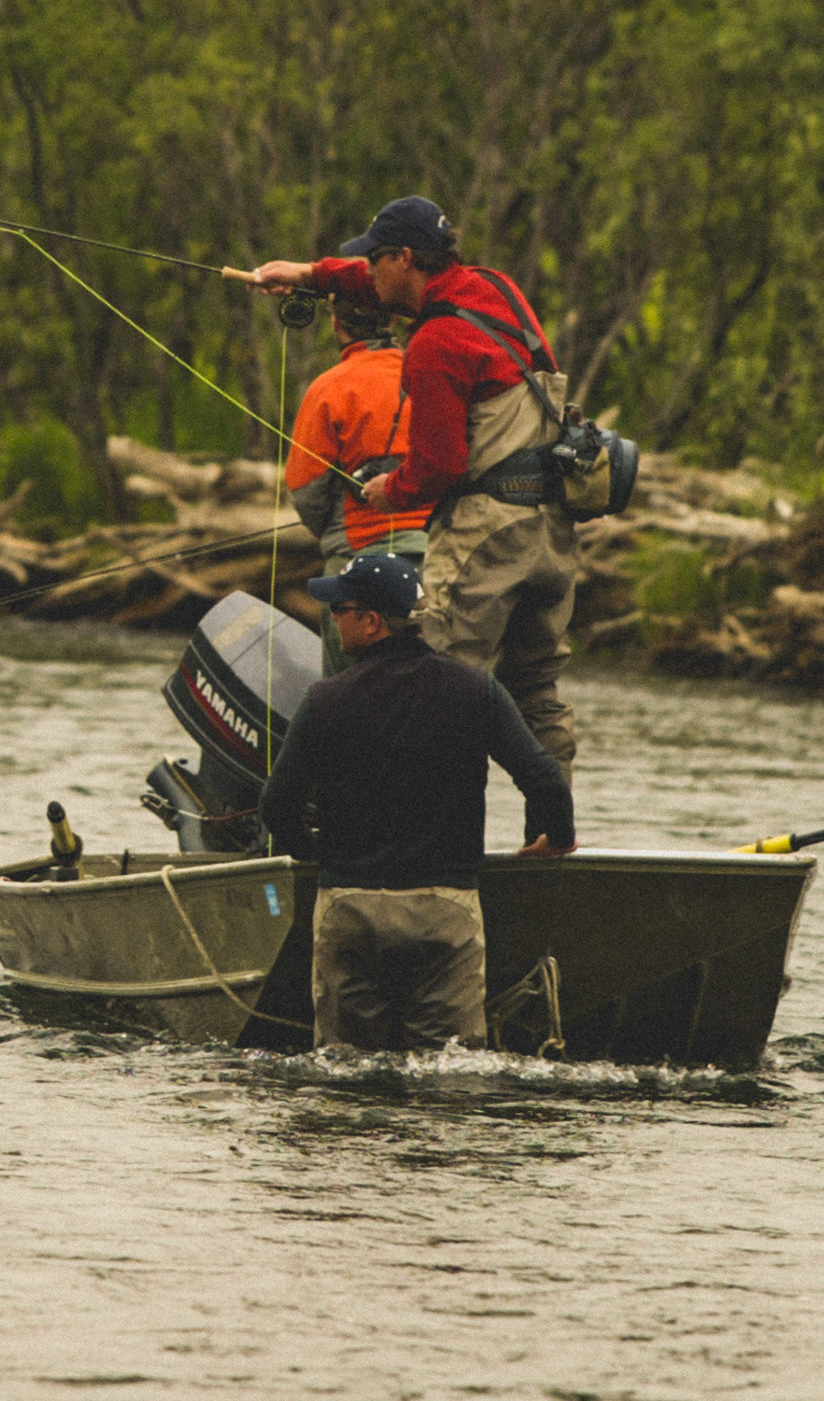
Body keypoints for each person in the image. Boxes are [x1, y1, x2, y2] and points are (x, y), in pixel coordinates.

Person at [245, 196, 581, 780]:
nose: (369, 275)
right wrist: (308, 274)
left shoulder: (434, 343)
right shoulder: (495, 288)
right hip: (552, 528)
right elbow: (374, 289)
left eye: (375, 261)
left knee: (428, 678)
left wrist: (387, 491)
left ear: (403, 257)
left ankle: (429, 841)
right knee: (535, 689)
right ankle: (554, 833)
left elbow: (438, 467)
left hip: (489, 532)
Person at [258, 552, 576, 1052]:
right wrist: (554, 838)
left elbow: (276, 807)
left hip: (350, 907)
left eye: (340, 608)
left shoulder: (324, 699)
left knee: (346, 1073)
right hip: (444, 912)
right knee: (445, 1078)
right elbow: (544, 777)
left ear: (371, 622)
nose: (332, 617)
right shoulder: (477, 689)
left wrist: (317, 855)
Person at [286, 295, 436, 675]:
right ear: (395, 320)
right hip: (440, 557)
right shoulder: (434, 374)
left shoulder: (327, 388)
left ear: (337, 324)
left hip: (354, 563)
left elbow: (307, 495)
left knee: (350, 691)